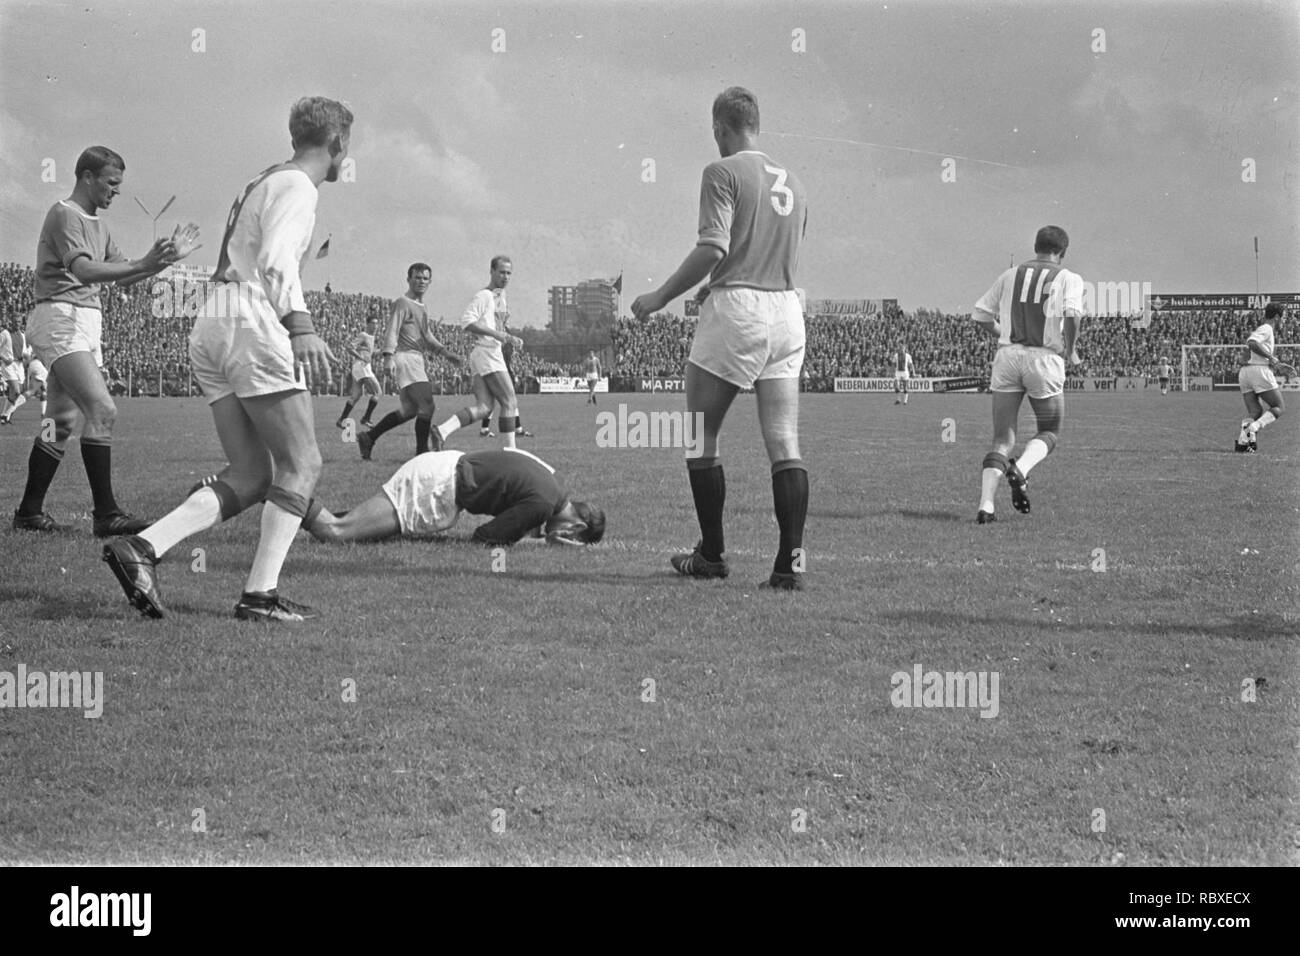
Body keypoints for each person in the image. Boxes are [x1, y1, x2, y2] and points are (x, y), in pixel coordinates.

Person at [102, 96, 348, 622]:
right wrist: (300, 326)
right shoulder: (299, 186)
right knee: (303, 463)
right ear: (338, 144)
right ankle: (259, 596)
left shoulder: (266, 178)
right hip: (250, 318)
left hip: (215, 318)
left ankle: (140, 549)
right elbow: (276, 260)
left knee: (253, 474)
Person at [631, 86, 810, 590]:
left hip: (739, 311)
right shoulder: (794, 181)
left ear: (719, 128)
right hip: (787, 309)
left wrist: (660, 296)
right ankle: (788, 568)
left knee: (700, 436)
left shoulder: (722, 172)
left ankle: (711, 554)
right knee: (784, 441)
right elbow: (776, 251)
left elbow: (714, 247)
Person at [14, 145, 199, 534]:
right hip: (61, 317)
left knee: (60, 421)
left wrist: (162, 261)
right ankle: (106, 515)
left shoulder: (99, 224)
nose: (116, 191)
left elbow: (123, 274)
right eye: (111, 183)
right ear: (87, 177)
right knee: (103, 410)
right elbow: (82, 270)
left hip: (85, 321)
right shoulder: (64, 214)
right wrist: (145, 262)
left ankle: (29, 512)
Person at [971, 225, 1083, 523]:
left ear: (1035, 246)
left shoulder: (1010, 275)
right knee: (1049, 431)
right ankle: (1020, 469)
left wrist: (1003, 334)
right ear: (1062, 252)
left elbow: (980, 315)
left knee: (1001, 439)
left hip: (1007, 357)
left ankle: (986, 506)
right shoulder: (1068, 278)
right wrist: (1070, 349)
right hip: (1043, 359)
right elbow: (1072, 314)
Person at [303, 447, 604, 547]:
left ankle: (287, 502)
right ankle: (282, 493)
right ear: (574, 529)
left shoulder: (553, 483)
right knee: (338, 534)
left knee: (355, 524)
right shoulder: (542, 505)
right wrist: (541, 544)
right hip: (436, 488)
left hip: (442, 468)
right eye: (573, 541)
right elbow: (484, 537)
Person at [357, 263, 460, 460]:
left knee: (410, 410)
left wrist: (446, 353)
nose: (421, 281)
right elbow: (392, 329)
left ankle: (369, 437)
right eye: (417, 277)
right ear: (408, 279)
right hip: (406, 357)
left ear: (430, 282)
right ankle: (422, 453)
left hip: (416, 358)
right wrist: (388, 357)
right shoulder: (403, 303)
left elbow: (427, 335)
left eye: (425, 278)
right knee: (427, 406)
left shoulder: (421, 306)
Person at [434, 256, 525, 449]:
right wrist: (497, 335)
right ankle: (511, 452)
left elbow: (496, 326)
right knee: (509, 401)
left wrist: (510, 337)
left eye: (509, 273)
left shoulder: (500, 297)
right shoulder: (484, 296)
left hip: (483, 354)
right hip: (487, 352)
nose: (505, 277)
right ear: (491, 272)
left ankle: (441, 431)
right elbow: (466, 322)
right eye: (501, 272)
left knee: (484, 408)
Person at [1235, 302, 1287, 453]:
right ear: (1277, 317)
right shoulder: (1267, 328)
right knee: (1279, 407)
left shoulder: (1262, 329)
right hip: (1258, 371)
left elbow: (1246, 352)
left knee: (1255, 411)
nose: (1283, 321)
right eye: (1283, 318)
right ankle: (1254, 427)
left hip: (1245, 372)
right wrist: (1270, 358)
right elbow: (1252, 342)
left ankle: (1242, 443)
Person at [336, 313, 382, 429]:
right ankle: (366, 418)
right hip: (362, 366)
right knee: (378, 392)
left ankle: (341, 420)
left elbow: (369, 353)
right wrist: (361, 357)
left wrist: (382, 351)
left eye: (377, 324)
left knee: (356, 396)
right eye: (373, 323)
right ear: (367, 324)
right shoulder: (364, 335)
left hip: (360, 367)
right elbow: (349, 347)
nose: (375, 326)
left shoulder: (371, 338)